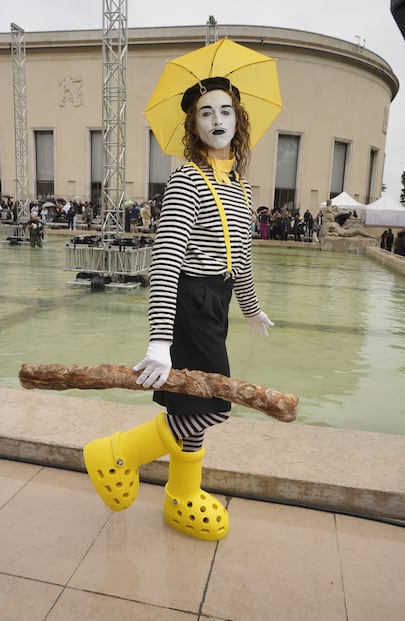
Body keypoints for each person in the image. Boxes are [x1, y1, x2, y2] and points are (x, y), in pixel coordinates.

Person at [83, 76, 274, 541]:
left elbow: (241, 258)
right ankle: (117, 452)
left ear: (239, 118)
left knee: (191, 401)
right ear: (193, 123)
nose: (217, 120)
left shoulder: (243, 188)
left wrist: (250, 308)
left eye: (225, 110)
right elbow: (166, 260)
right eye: (206, 112)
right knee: (216, 403)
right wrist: (160, 340)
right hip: (188, 299)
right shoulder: (187, 178)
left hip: (218, 301)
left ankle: (181, 494)